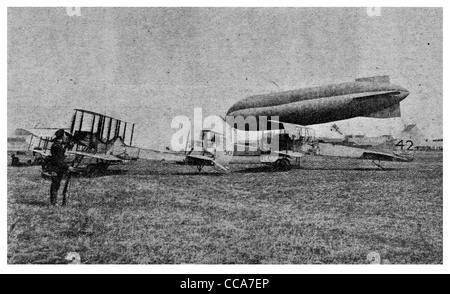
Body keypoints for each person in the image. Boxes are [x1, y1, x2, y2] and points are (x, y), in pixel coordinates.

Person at [48, 129, 74, 206]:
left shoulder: (57, 145)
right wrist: (67, 167)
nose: (66, 137)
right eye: (65, 135)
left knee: (56, 185)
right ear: (62, 136)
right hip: (56, 168)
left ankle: (54, 202)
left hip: (55, 168)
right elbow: (59, 160)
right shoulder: (58, 146)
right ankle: (53, 203)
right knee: (55, 185)